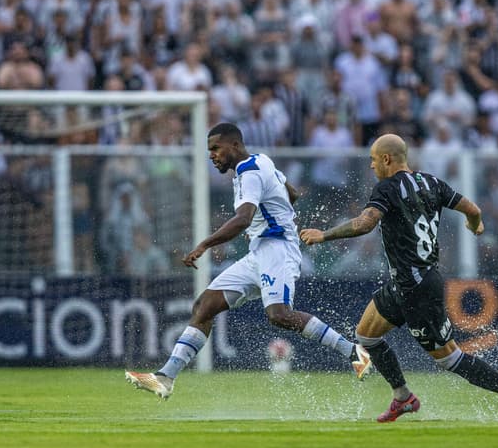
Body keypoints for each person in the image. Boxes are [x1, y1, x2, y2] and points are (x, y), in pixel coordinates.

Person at [299, 134, 498, 422]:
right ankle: (403, 397)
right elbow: (473, 210)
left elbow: (365, 224)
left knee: (449, 358)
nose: (372, 166)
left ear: (387, 159)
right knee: (365, 336)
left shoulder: (387, 188)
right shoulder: (432, 183)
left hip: (419, 288)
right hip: (403, 282)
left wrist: (324, 234)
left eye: (374, 160)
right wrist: (475, 226)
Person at [125, 123, 371, 399]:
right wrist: (283, 210)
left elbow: (243, 219)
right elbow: (292, 193)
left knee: (279, 315)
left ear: (236, 146)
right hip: (260, 251)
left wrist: (204, 244)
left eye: (216, 148)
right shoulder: (261, 160)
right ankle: (165, 377)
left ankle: (354, 352)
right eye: (209, 150)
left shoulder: (249, 172)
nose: (212, 155)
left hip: (277, 249)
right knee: (204, 306)